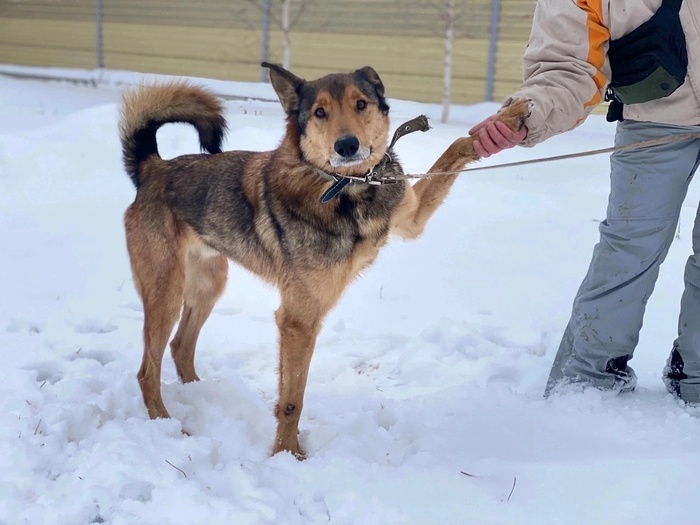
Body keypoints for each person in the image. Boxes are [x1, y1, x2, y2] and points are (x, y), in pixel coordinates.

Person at [469, 0, 700, 402]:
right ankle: (587, 382)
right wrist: (528, 115)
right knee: (628, 248)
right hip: (654, 121)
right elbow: (566, 66)